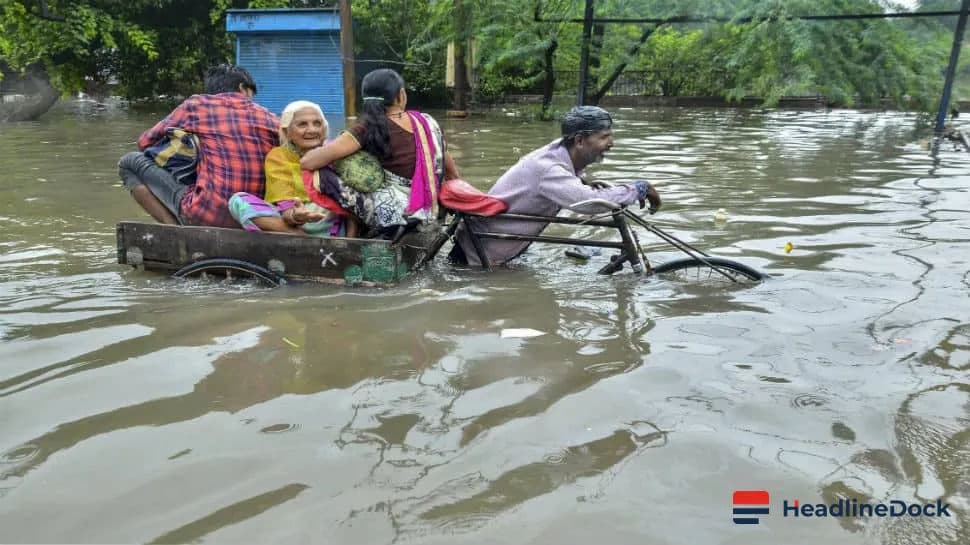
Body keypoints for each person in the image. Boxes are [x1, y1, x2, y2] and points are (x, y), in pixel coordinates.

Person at [453, 105, 662, 267]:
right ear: (580, 141)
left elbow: (573, 187)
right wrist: (640, 189)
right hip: (479, 256)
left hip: (494, 247)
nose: (611, 143)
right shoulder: (549, 168)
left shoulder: (560, 154)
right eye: (604, 137)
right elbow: (588, 203)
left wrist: (584, 183)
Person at [299, 68, 460, 237]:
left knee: (321, 173)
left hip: (401, 216)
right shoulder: (428, 122)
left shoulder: (366, 129)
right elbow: (451, 173)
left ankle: (357, 228)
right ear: (401, 95)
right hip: (434, 211)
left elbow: (308, 162)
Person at [118, 64, 279, 228]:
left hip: (206, 214)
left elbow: (145, 142)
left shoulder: (197, 105)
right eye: (252, 93)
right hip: (256, 217)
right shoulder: (269, 117)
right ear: (242, 88)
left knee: (129, 162)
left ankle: (175, 230)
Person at [228, 100, 345, 237]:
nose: (312, 129)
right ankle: (302, 237)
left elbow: (350, 200)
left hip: (330, 221)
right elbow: (285, 205)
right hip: (291, 222)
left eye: (317, 123)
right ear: (286, 131)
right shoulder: (279, 156)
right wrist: (296, 215)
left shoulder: (333, 151)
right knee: (237, 201)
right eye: (302, 124)